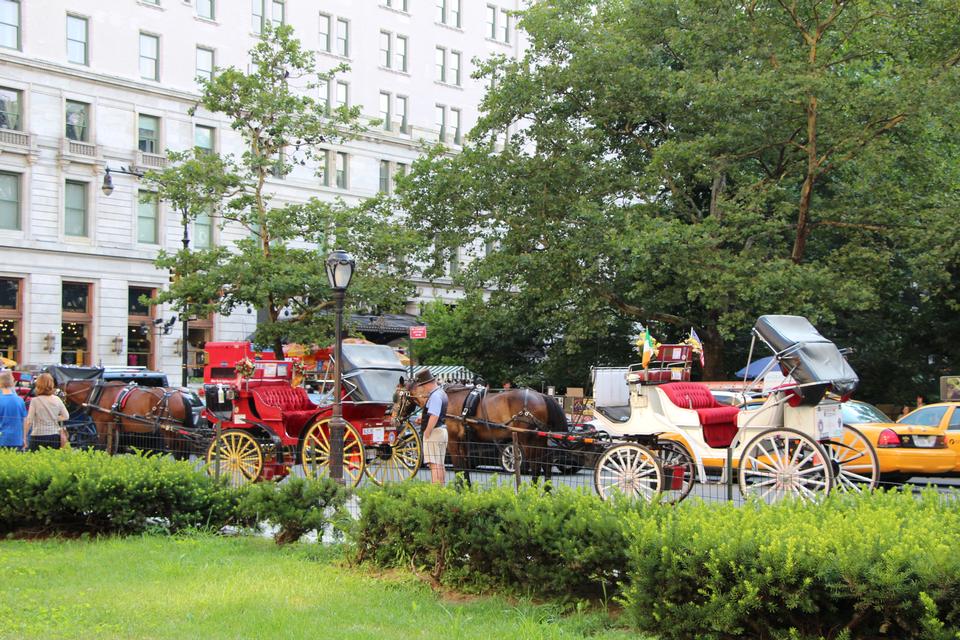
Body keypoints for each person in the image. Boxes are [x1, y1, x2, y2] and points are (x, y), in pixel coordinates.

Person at [411, 368, 448, 485]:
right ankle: (441, 489)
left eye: (422, 385)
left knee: (434, 464)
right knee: (440, 463)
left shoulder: (434, 396)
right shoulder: (441, 393)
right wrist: (422, 419)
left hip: (434, 432)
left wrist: (427, 432)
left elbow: (434, 416)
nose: (422, 388)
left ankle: (436, 491)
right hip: (442, 431)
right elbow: (437, 413)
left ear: (427, 384)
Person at [22, 372, 70, 451]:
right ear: (51, 384)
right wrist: (54, 418)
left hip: (38, 435)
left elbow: (29, 421)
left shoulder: (35, 401)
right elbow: (66, 416)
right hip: (54, 436)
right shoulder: (57, 399)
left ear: (38, 385)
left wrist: (24, 436)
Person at [0, 371, 27, 449]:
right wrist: (24, 438)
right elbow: (24, 420)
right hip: (17, 439)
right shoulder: (20, 400)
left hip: (2, 439)